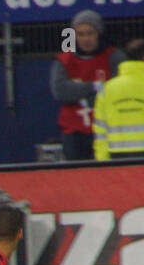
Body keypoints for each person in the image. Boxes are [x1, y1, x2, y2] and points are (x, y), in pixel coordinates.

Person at [51, 9, 125, 162]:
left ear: (99, 33)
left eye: (90, 33)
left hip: (107, 130)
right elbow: (61, 92)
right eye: (81, 34)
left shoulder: (114, 57)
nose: (86, 39)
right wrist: (94, 87)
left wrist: (79, 94)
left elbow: (120, 91)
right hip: (74, 133)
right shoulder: (64, 60)